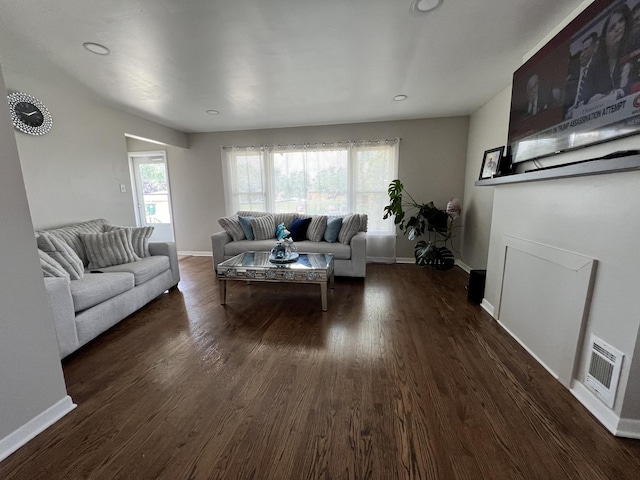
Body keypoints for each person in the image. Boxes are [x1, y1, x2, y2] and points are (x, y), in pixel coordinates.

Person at [581, 4, 631, 105]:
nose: (618, 28)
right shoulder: (595, 67)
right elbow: (585, 99)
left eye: (621, 21)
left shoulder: (632, 54)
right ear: (604, 39)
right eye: (612, 28)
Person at [564, 32, 598, 119]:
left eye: (586, 49)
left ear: (594, 48)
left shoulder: (598, 68)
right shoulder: (572, 77)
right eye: (581, 51)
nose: (582, 54)